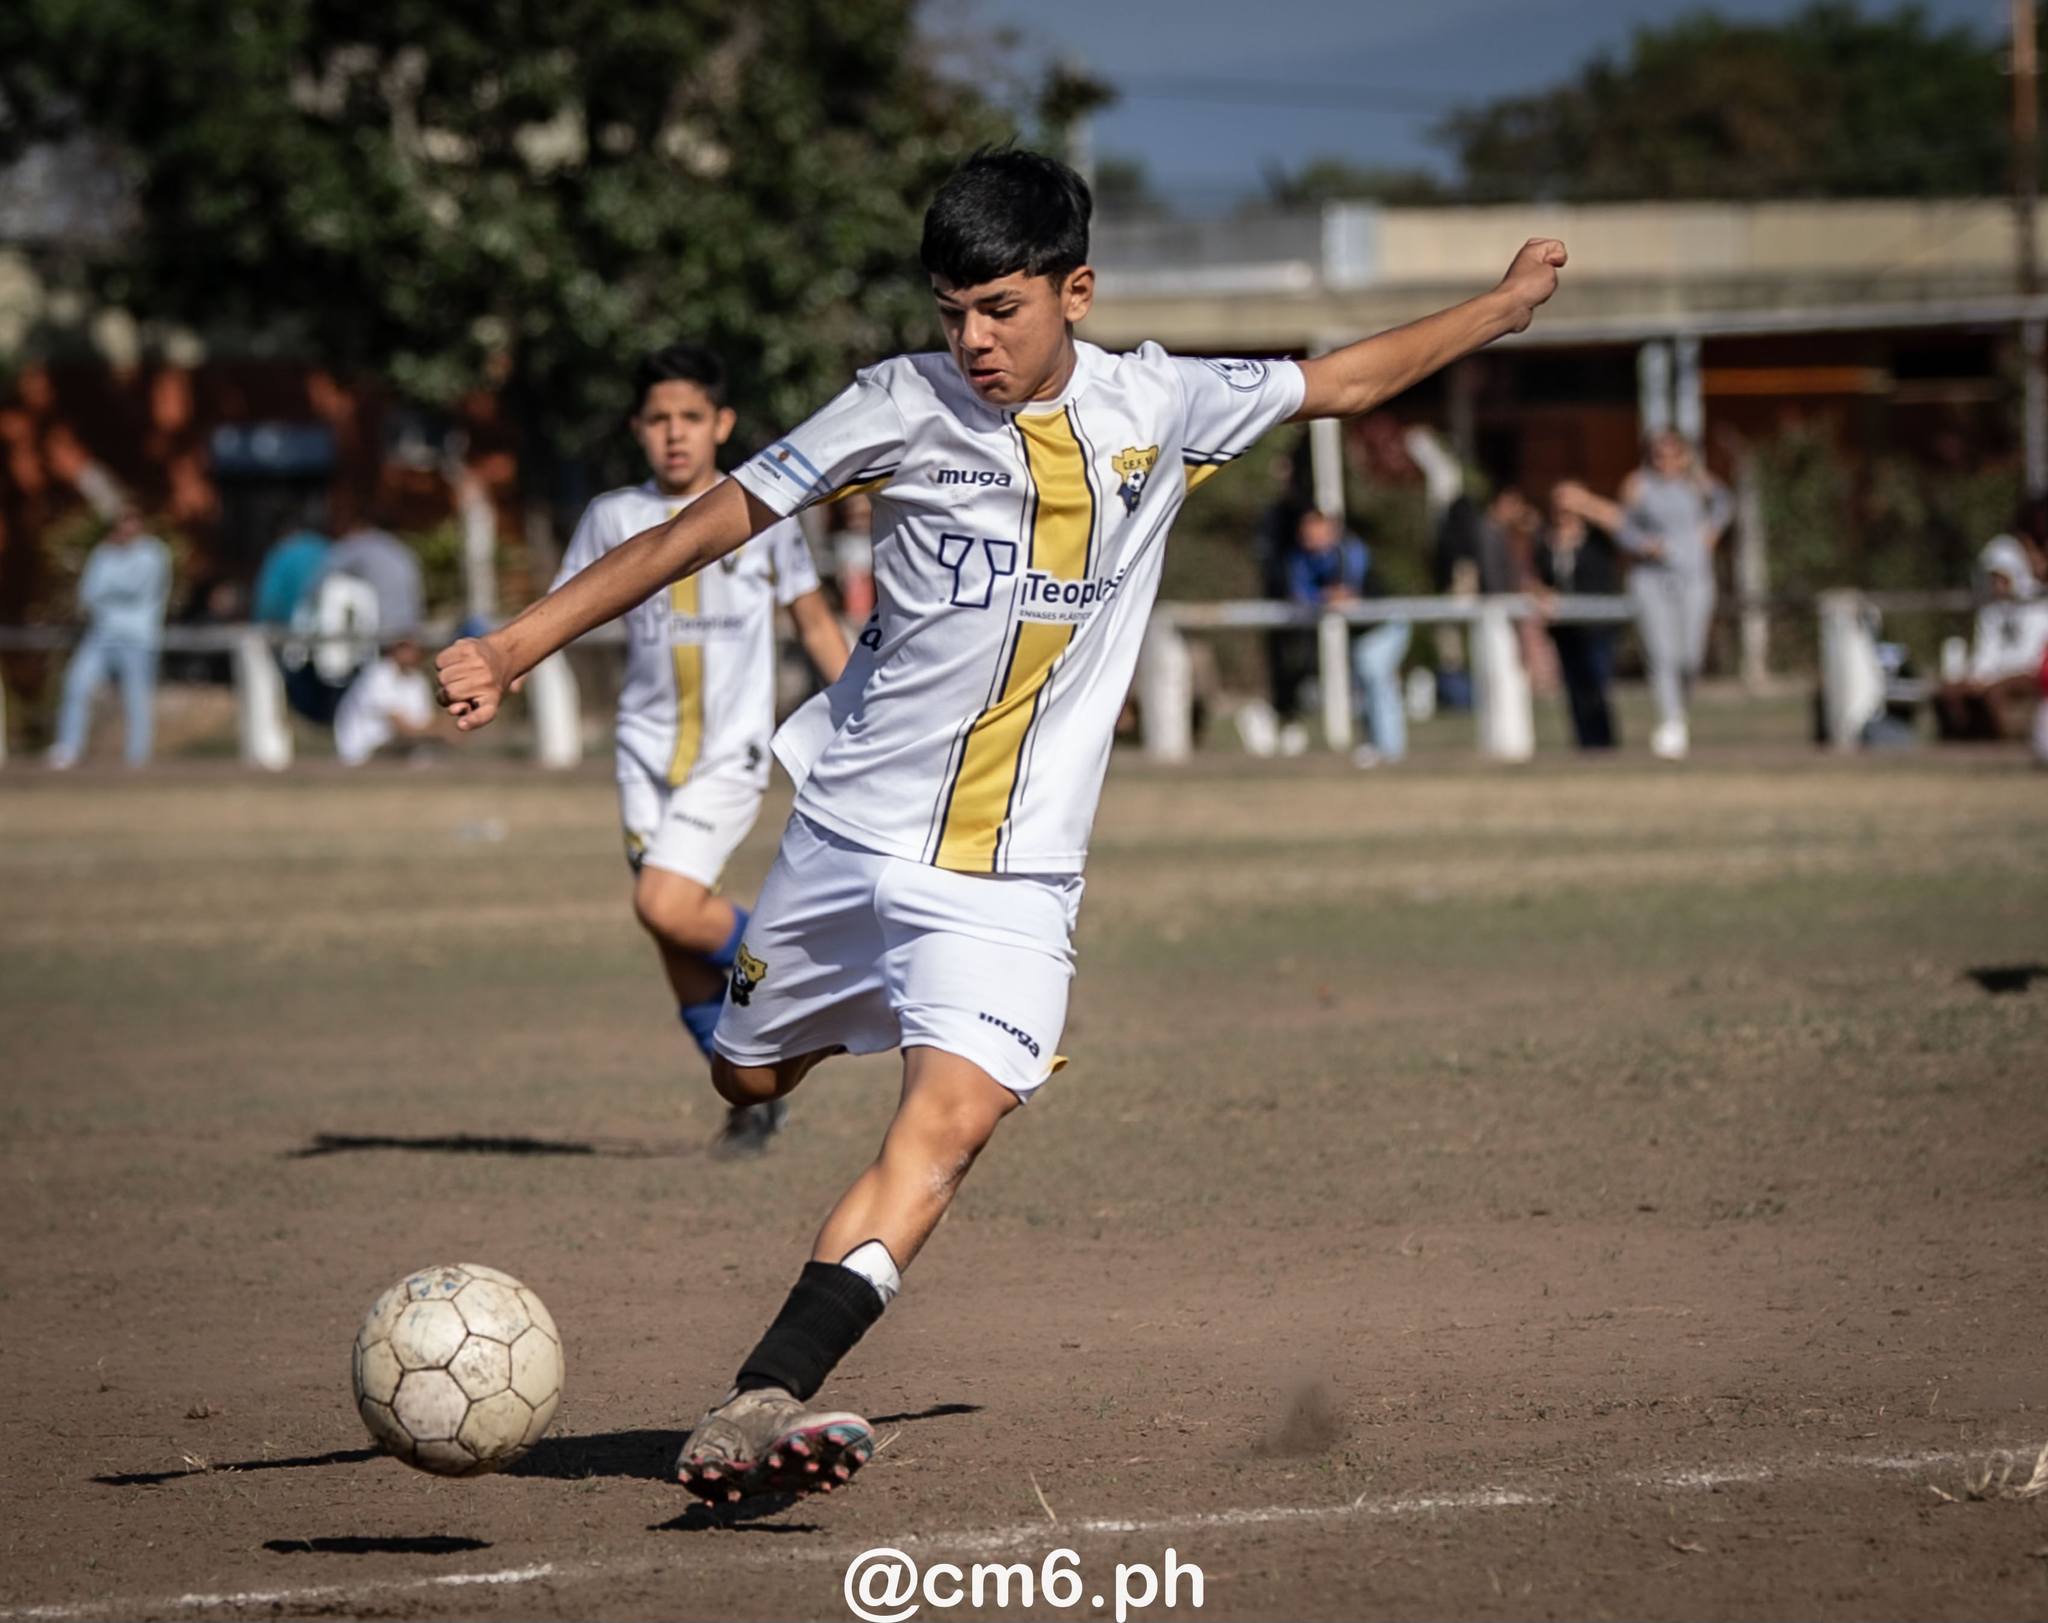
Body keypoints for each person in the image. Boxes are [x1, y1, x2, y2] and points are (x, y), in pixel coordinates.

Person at [435, 148, 1566, 1504]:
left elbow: (1349, 378)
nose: (970, 339)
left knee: (949, 1125)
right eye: (950, 310)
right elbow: (707, 524)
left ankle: (761, 1396)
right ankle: (731, 958)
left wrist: (1497, 308)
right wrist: (514, 643)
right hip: (842, 846)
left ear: (1075, 292)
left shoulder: (1164, 403)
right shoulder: (893, 407)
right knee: (745, 1068)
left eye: (1000, 309)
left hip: (1014, 878)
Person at [551, 343, 850, 1154]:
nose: (675, 434)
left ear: (722, 422)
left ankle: (812, 972)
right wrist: (509, 659)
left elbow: (815, 621)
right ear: (637, 429)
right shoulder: (612, 516)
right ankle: (751, 1095)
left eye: (690, 417)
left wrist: (866, 706)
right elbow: (568, 609)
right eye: (658, 419)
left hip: (730, 753)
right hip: (642, 756)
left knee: (665, 903)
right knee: (671, 928)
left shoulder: (761, 509)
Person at [1559, 432, 1731, 760]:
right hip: (1651, 579)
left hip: (1693, 578)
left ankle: (1679, 711)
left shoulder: (1697, 483)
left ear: (1684, 456)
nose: (1665, 461)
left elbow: (1725, 503)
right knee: (1662, 654)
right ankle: (1670, 722)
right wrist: (1643, 545)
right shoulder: (1638, 484)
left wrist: (1711, 533)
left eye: (1672, 454)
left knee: (1690, 657)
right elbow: (1622, 524)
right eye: (1658, 455)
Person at [1284, 507, 1410, 766]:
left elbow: (1350, 590)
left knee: (1376, 677)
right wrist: (1323, 597)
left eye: (1315, 531)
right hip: (1360, 635)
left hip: (1384, 626)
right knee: (1366, 684)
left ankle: (1390, 748)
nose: (1310, 538)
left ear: (1329, 530)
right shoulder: (1300, 558)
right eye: (1305, 533)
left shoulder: (1349, 550)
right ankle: (1377, 745)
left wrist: (1336, 596)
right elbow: (1301, 593)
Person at [48, 508, 173, 769]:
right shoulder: (103, 554)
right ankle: (68, 748)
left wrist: (107, 588)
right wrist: (107, 590)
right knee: (76, 684)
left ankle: (137, 758)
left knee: (136, 698)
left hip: (138, 638)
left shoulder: (153, 553)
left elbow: (135, 587)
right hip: (101, 635)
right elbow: (88, 594)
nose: (126, 529)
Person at [1532, 482, 1622, 750]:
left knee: (1597, 683)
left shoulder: (1596, 538)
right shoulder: (1547, 542)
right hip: (1565, 627)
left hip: (1596, 627)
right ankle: (1584, 742)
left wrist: (1585, 503)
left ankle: (1604, 741)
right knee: (1574, 687)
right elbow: (1540, 579)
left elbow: (1622, 523)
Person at [1933, 535, 2048, 742]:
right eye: (1993, 579)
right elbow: (1986, 651)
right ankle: (1961, 745)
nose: (1997, 585)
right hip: (1997, 674)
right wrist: (1976, 677)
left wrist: (1994, 678)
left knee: (1995, 693)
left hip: (2029, 673)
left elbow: (2032, 655)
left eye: (2002, 578)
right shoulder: (1991, 610)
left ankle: (2006, 746)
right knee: (1950, 691)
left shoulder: (2036, 605)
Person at [333, 634, 442, 765]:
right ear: (394, 651)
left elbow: (424, 721)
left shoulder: (418, 681)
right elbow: (400, 725)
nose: (411, 654)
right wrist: (440, 733)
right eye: (405, 649)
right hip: (365, 749)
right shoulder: (377, 675)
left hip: (398, 745)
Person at [252, 518, 331, 627]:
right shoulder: (327, 547)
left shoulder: (282, 551)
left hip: (289, 630)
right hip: (324, 627)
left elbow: (268, 601)